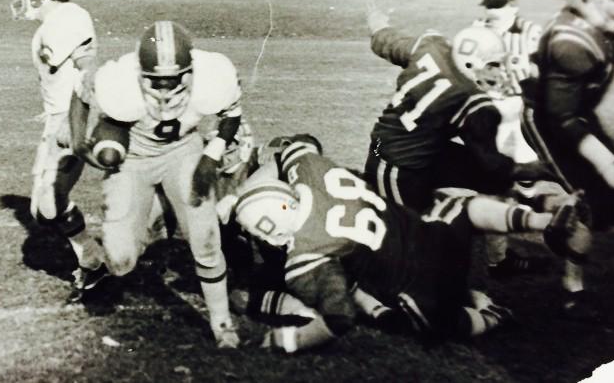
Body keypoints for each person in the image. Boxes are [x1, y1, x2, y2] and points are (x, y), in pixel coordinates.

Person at [225, 134, 590, 353]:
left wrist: (290, 341)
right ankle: (539, 221)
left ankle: (492, 316)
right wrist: (255, 187)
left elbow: (339, 319)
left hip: (414, 281)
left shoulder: (306, 254)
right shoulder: (312, 172)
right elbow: (299, 144)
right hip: (429, 228)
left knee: (436, 323)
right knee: (466, 208)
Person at [72, 20, 244, 348]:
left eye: (173, 80)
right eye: (156, 81)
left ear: (189, 70)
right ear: (141, 72)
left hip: (184, 151)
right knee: (121, 261)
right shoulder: (118, 77)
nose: (164, 90)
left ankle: (221, 322)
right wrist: (80, 140)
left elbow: (232, 112)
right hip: (133, 156)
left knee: (205, 238)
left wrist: (213, 152)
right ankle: (160, 211)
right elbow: (79, 92)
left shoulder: (213, 74)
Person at [521, 0, 614, 311]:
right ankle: (571, 287)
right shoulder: (572, 44)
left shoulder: (599, 25)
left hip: (575, 113)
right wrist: (603, 158)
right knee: (590, 198)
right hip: (548, 119)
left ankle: (542, 200)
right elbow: (559, 117)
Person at [363, 6, 551, 214]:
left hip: (416, 148)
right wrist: (543, 170)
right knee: (409, 230)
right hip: (393, 160)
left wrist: (376, 18)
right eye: (492, 65)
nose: (498, 71)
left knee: (492, 180)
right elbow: (493, 163)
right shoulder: (474, 102)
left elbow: (384, 39)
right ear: (470, 63)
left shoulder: (431, 47)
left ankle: (497, 229)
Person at [10, 0, 106, 302]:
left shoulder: (67, 19)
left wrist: (72, 120)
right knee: (46, 205)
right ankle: (92, 262)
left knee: (47, 205)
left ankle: (95, 262)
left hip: (70, 120)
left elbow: (87, 67)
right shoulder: (55, 21)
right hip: (58, 119)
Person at [473, 0, 559, 276]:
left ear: (513, 7)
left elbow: (546, 76)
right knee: (494, 185)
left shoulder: (531, 34)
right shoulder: (475, 32)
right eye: (488, 5)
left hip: (520, 116)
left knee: (524, 183)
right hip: (488, 116)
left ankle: (510, 243)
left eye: (498, 6)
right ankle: (498, 258)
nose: (492, 12)